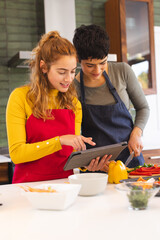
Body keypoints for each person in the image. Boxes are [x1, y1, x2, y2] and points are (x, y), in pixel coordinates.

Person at [6, 31, 111, 183]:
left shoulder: (74, 104)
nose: (69, 79)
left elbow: (72, 154)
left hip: (65, 185)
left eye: (73, 71)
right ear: (43, 67)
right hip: (27, 187)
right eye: (62, 72)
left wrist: (88, 165)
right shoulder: (20, 97)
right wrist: (59, 141)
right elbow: (17, 154)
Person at [73, 24, 150, 168]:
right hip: (97, 166)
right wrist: (85, 164)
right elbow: (75, 136)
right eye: (90, 65)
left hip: (130, 159)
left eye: (102, 63)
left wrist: (136, 133)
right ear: (78, 59)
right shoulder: (73, 88)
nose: (97, 70)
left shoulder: (122, 71)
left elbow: (143, 108)